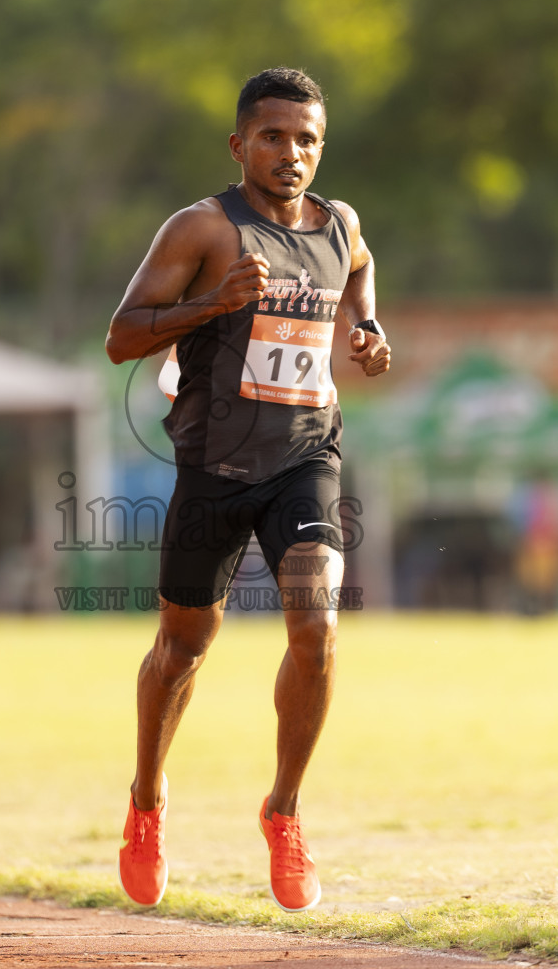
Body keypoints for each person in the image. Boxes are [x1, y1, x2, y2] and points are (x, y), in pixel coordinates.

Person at [104, 67, 392, 912]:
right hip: (215, 469)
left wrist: (366, 328)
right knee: (182, 650)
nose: (291, 153)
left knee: (318, 626)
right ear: (239, 145)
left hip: (306, 458)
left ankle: (284, 811)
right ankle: (147, 802)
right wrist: (213, 304)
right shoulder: (203, 229)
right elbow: (121, 337)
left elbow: (363, 269)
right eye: (273, 136)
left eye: (307, 139)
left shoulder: (339, 223)